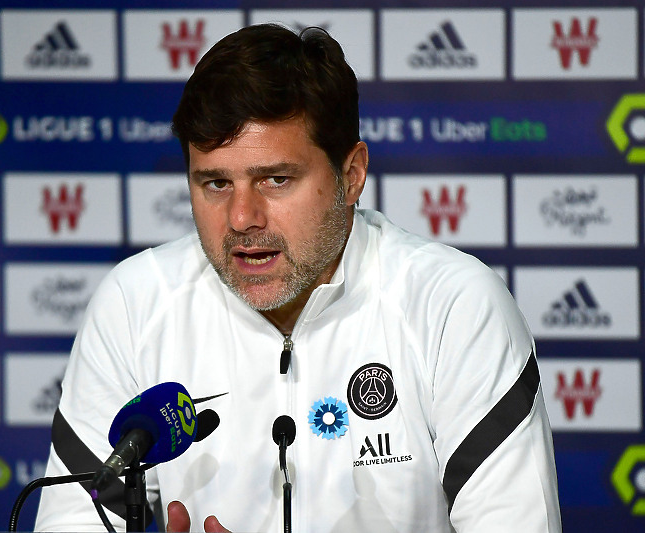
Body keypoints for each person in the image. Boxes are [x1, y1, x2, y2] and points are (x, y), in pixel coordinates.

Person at [35, 24, 562, 533]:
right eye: (215, 183)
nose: (242, 218)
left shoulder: (453, 307)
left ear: (350, 175)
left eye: (276, 179)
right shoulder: (135, 304)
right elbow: (76, 519)